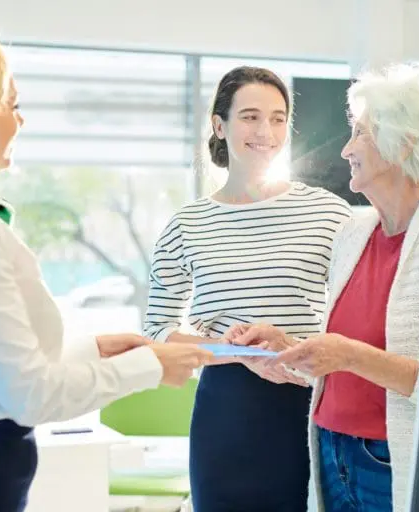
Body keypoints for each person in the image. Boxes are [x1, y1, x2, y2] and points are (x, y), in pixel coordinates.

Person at [0, 29, 212, 512]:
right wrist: (151, 367)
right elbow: (29, 395)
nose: (21, 120)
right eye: (12, 105)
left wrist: (94, 351)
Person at [229, 63, 419, 512]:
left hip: (389, 461)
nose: (346, 149)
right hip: (329, 452)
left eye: (360, 133)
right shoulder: (352, 234)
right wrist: (290, 348)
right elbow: (346, 364)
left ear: (404, 143)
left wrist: (350, 355)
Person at [144, 66, 352, 511]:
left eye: (278, 119)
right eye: (250, 117)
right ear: (219, 125)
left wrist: (291, 348)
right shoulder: (187, 224)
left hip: (309, 407)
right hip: (225, 415)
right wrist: (236, 352)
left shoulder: (329, 213)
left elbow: (357, 317)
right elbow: (157, 332)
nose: (265, 132)